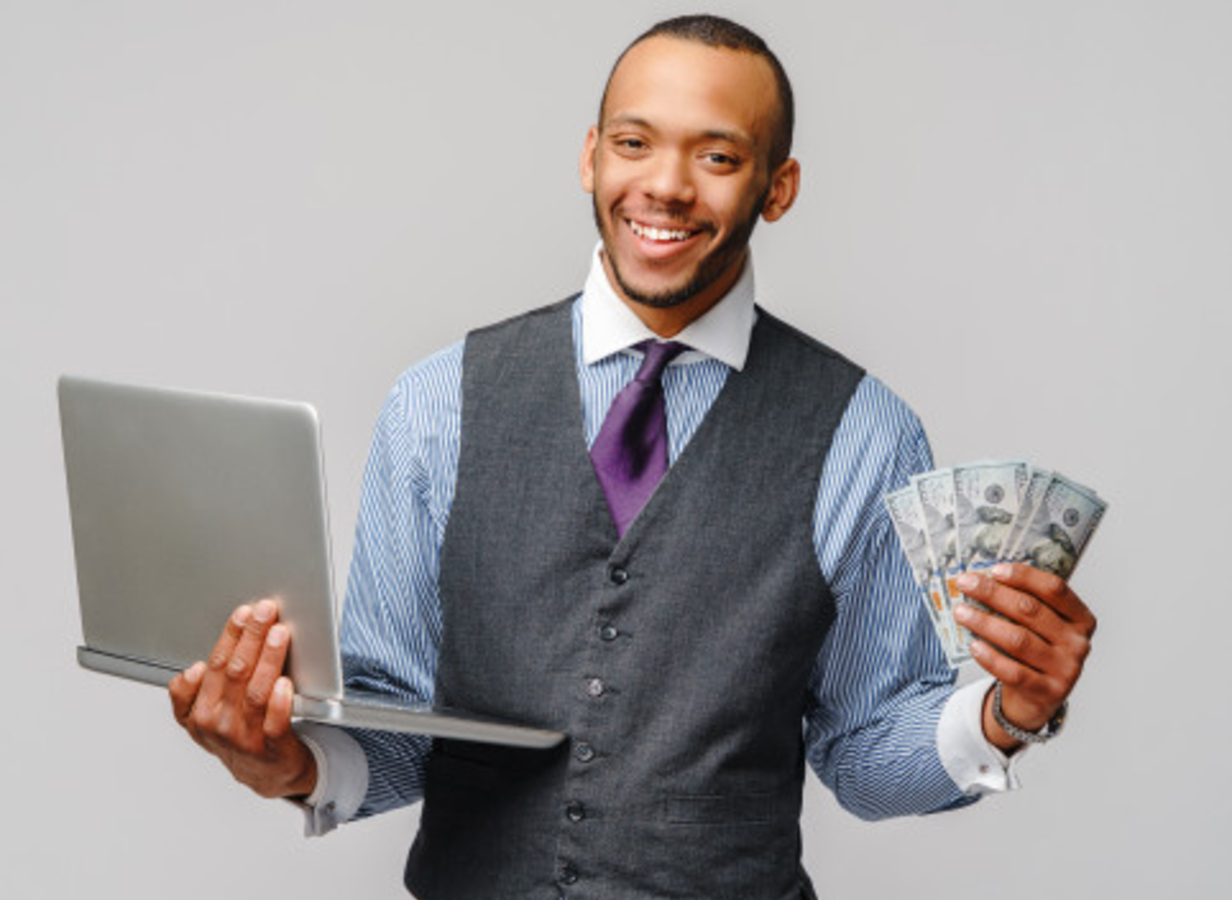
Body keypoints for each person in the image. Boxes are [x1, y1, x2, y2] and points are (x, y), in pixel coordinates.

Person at [166, 14, 1096, 899]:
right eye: (635, 142)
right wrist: (286, 760)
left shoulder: (865, 431)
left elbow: (862, 758)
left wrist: (1003, 712)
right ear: (589, 156)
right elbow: (399, 730)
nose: (666, 186)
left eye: (719, 155)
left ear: (778, 186)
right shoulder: (435, 402)